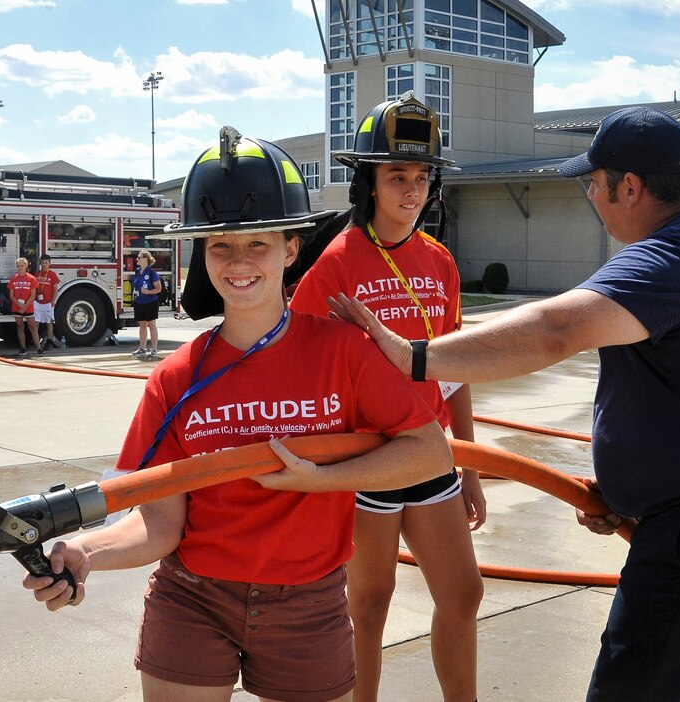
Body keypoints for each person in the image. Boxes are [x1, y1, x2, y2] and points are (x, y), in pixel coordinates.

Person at [22, 127, 453, 702]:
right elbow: (158, 523)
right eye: (221, 245)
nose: (239, 261)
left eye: (259, 243)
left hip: (308, 602)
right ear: (202, 253)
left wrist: (322, 480)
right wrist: (84, 553)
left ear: (291, 248)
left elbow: (429, 451)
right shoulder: (176, 378)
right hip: (193, 599)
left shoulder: (344, 352)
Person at [330, 105, 680, 702]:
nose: (590, 196)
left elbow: (553, 330)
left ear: (630, 187)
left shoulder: (668, 259)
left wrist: (413, 358)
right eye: (397, 175)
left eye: (593, 184)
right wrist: (628, 496)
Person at [289, 93, 484, 702]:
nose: (412, 189)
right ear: (369, 182)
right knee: (369, 604)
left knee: (464, 593)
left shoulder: (442, 262)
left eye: (422, 176)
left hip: (430, 455)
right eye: (396, 175)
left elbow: (454, 370)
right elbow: (300, 370)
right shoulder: (334, 266)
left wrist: (470, 463)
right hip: (366, 459)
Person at [8, 256, 43, 357]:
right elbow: (11, 295)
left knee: (32, 327)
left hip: (28, 307)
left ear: (26, 266)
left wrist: (25, 306)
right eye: (18, 266)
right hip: (16, 306)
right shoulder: (14, 278)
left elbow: (33, 295)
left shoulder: (31, 278)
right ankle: (23, 348)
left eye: (22, 266)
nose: (20, 268)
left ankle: (39, 348)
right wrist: (19, 305)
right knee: (20, 326)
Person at [131, 250, 162, 358]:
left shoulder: (152, 273)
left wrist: (148, 292)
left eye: (139, 257)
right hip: (139, 301)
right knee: (142, 325)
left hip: (150, 302)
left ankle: (154, 349)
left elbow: (158, 289)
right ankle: (142, 348)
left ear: (146, 259)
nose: (137, 259)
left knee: (151, 324)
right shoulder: (137, 271)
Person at [34, 254, 60, 349]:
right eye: (42, 262)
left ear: (49, 263)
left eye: (46, 263)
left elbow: (55, 289)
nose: (44, 264)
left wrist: (53, 300)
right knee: (36, 322)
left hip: (48, 302)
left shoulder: (52, 274)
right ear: (40, 263)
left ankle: (49, 341)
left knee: (48, 322)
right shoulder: (37, 274)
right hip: (37, 302)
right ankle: (35, 340)